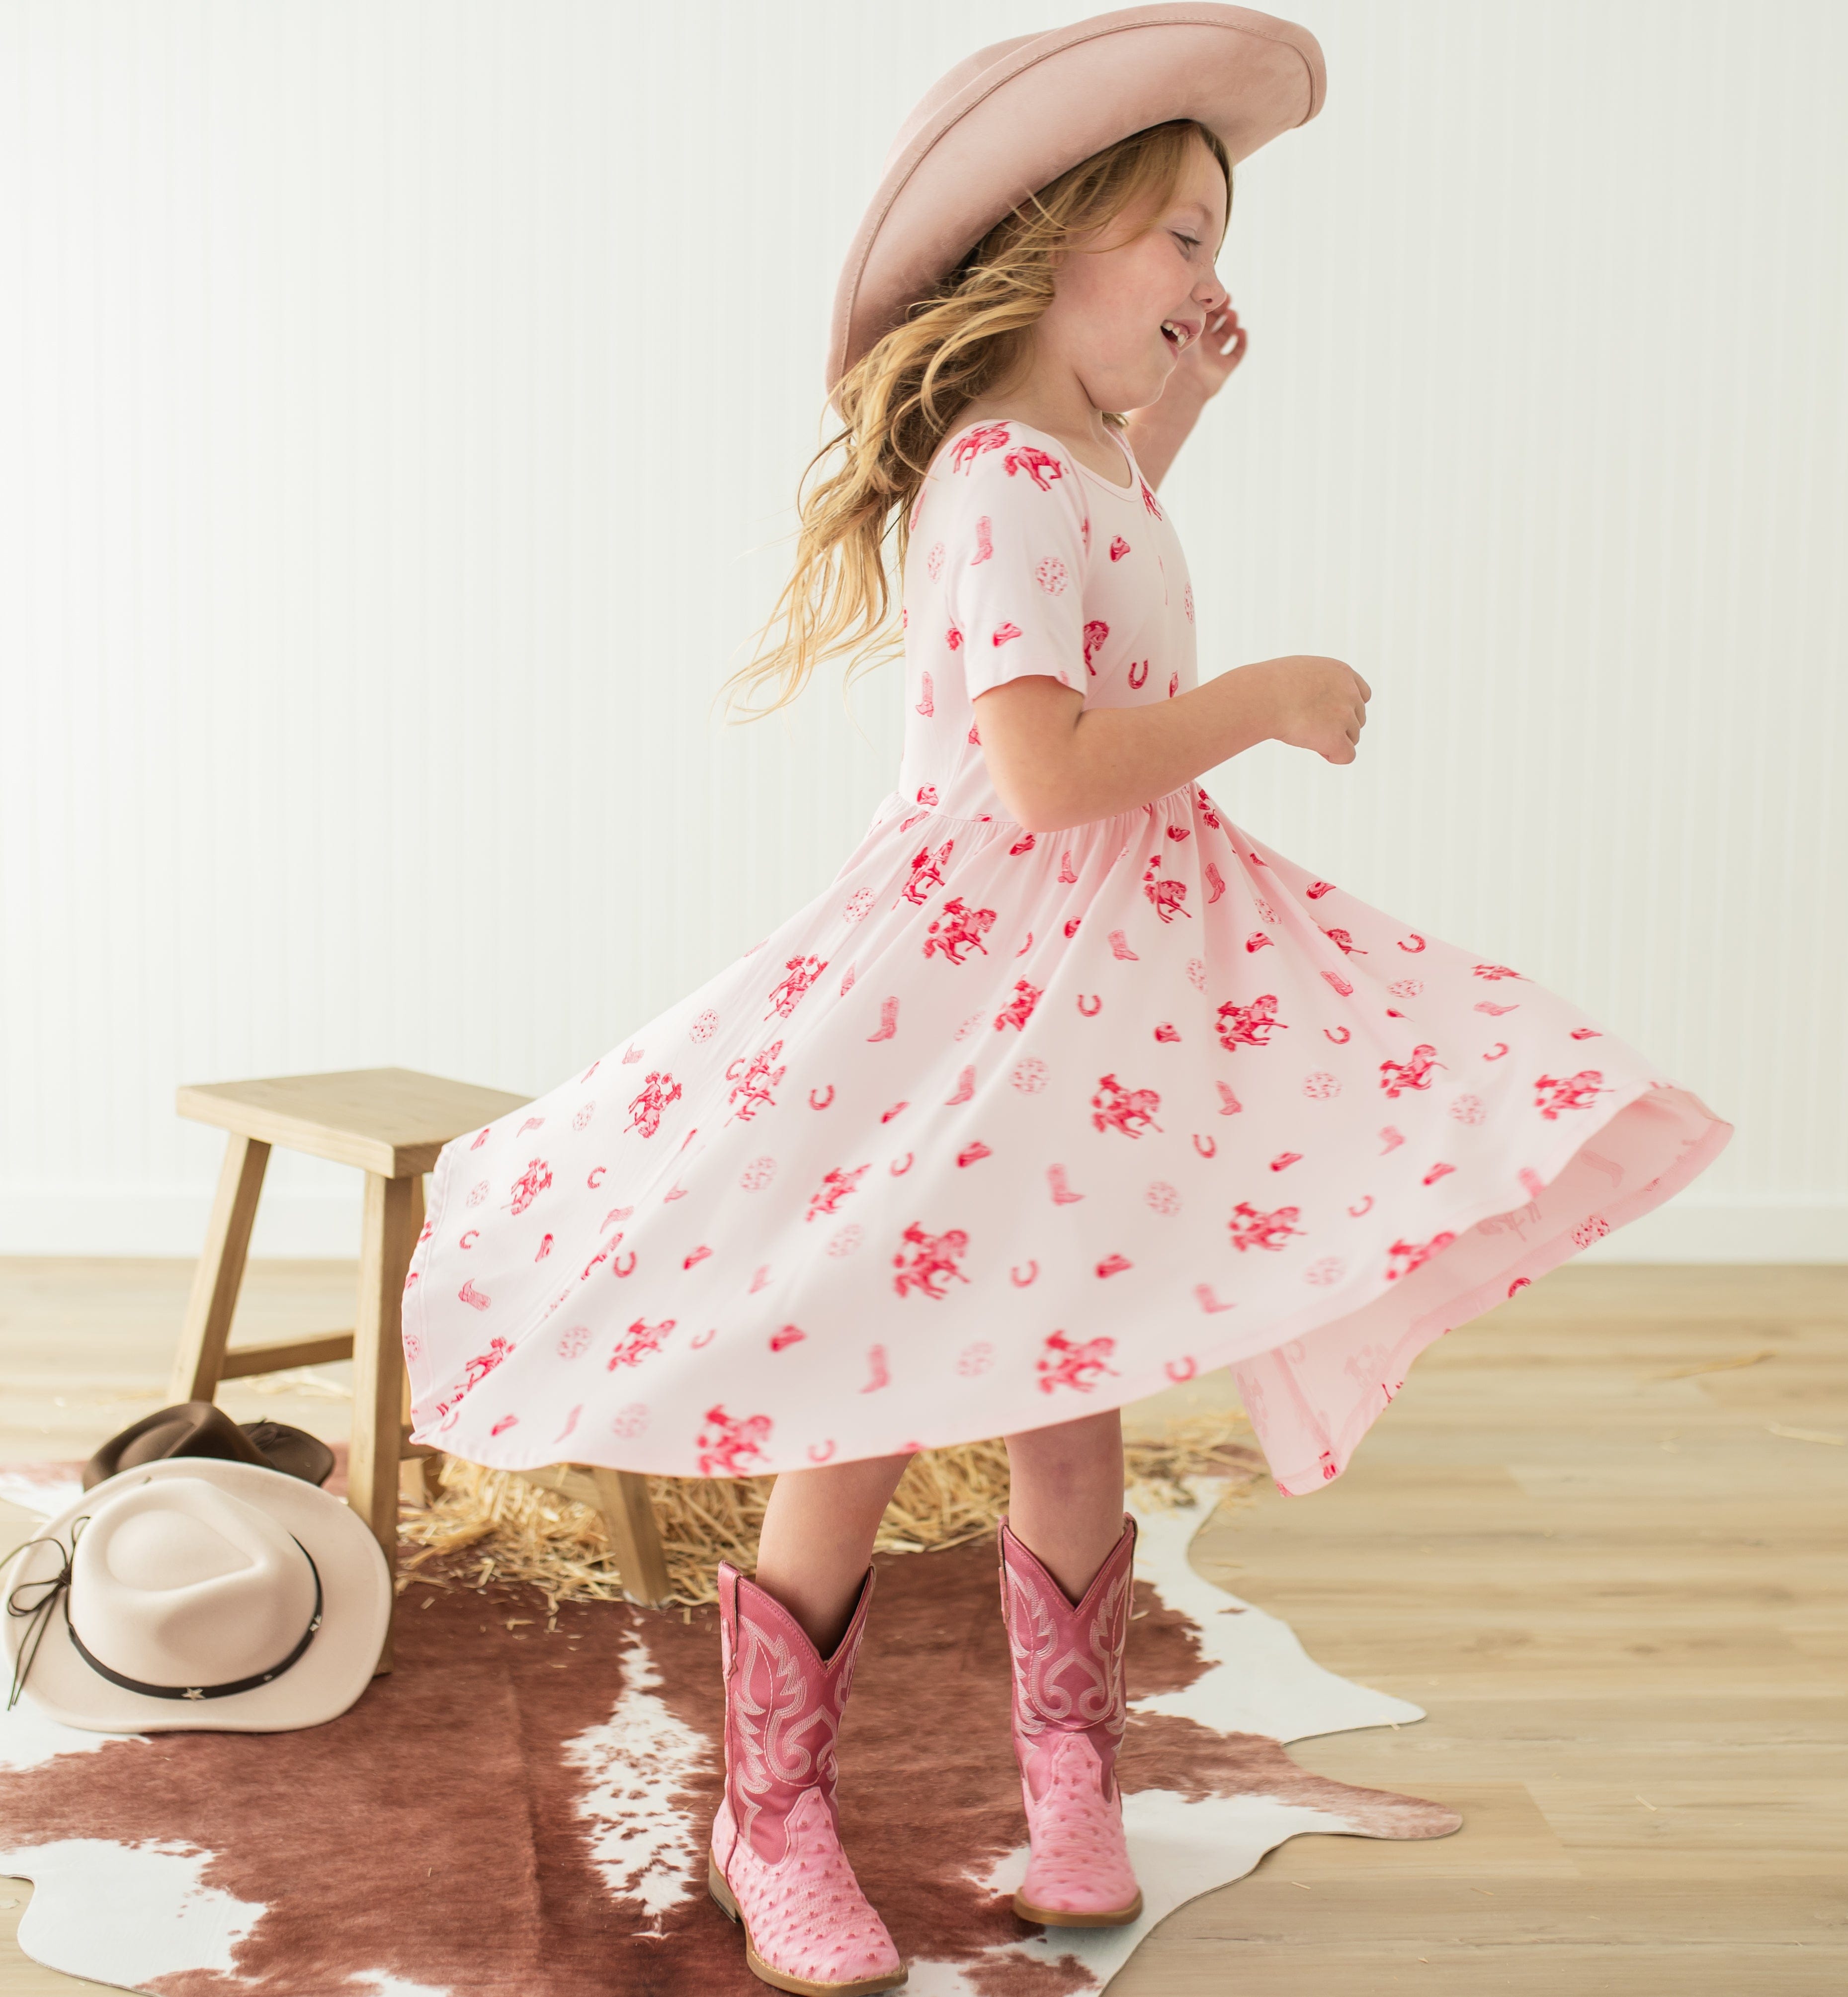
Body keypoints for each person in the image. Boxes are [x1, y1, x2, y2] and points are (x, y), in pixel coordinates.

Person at [401, 13, 1732, 1994]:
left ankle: (1070, 1779)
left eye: (1216, 243)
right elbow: (1042, 772)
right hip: (970, 1001)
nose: (1218, 277)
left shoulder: (1070, 460)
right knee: (862, 1406)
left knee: (1068, 1397)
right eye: (1182, 241)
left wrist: (1173, 423)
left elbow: (1107, 572)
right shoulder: (1004, 476)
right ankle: (768, 1821)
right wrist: (1267, 701)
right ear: (1057, 250)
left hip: (1072, 1007)